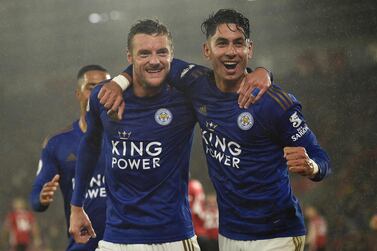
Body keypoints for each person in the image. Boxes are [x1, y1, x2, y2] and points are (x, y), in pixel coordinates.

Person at [106, 9, 331, 251]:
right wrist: (119, 82)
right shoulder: (196, 83)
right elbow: (151, 63)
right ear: (207, 50)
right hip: (230, 233)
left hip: (277, 233)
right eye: (222, 43)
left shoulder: (274, 103)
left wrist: (312, 166)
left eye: (238, 43)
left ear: (249, 49)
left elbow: (321, 158)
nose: (231, 51)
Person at [69, 19, 271, 251]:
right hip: (117, 239)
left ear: (172, 55)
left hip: (174, 239)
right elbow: (90, 145)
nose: (154, 60)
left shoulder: (188, 95)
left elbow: (231, 78)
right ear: (129, 57)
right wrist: (76, 207)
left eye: (162, 52)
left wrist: (264, 72)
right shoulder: (102, 97)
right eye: (144, 53)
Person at [29, 65, 110, 251]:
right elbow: (36, 194)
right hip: (84, 244)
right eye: (91, 87)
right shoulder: (57, 143)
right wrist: (42, 198)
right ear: (78, 94)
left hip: (127, 243)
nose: (98, 93)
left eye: (104, 86)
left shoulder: (127, 136)